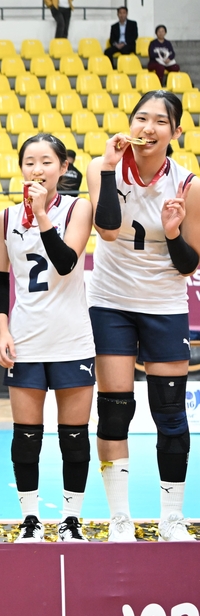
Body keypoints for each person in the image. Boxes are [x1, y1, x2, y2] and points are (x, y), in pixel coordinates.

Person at [86, 90, 199, 542]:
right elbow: (108, 230)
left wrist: (172, 233)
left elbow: (190, 262)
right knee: (115, 412)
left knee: (170, 413)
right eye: (140, 118)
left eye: (159, 121)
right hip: (111, 300)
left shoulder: (188, 184)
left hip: (164, 304)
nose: (146, 128)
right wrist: (111, 168)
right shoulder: (101, 167)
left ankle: (172, 517)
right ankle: (121, 518)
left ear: (175, 132)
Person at [0, 134, 95, 543]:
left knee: (74, 436)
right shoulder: (5, 218)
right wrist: (2, 329)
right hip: (26, 340)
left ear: (64, 167)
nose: (37, 169)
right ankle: (30, 519)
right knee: (26, 436)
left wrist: (41, 215)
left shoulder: (78, 208)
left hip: (71, 339)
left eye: (47, 162)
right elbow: (1, 281)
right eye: (30, 162)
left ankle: (71, 520)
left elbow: (67, 263)